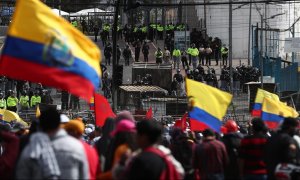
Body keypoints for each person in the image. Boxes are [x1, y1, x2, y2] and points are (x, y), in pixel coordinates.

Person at [16, 108, 89, 179]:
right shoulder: (77, 146)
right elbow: (84, 175)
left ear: (40, 125)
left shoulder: (31, 149)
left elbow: (21, 175)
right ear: (59, 124)